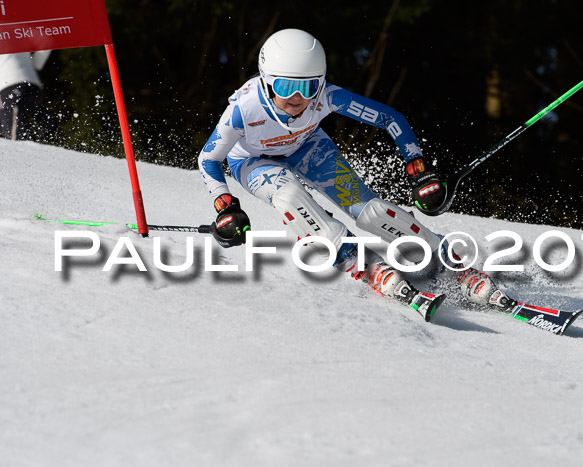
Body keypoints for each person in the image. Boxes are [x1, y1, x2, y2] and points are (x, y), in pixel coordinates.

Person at [198, 29, 506, 320]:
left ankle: (447, 263)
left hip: (307, 147)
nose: (297, 98)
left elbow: (390, 118)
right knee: (291, 197)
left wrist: (418, 169)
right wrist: (226, 206)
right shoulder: (244, 108)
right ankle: (364, 263)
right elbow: (209, 158)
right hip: (254, 160)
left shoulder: (326, 97)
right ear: (266, 81)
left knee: (371, 211)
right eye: (285, 86)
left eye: (308, 86)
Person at [0, 51, 51, 140]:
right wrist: (35, 65)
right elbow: (46, 41)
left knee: (13, 128)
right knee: (18, 122)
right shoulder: (19, 37)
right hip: (32, 83)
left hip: (11, 82)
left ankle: (19, 149)